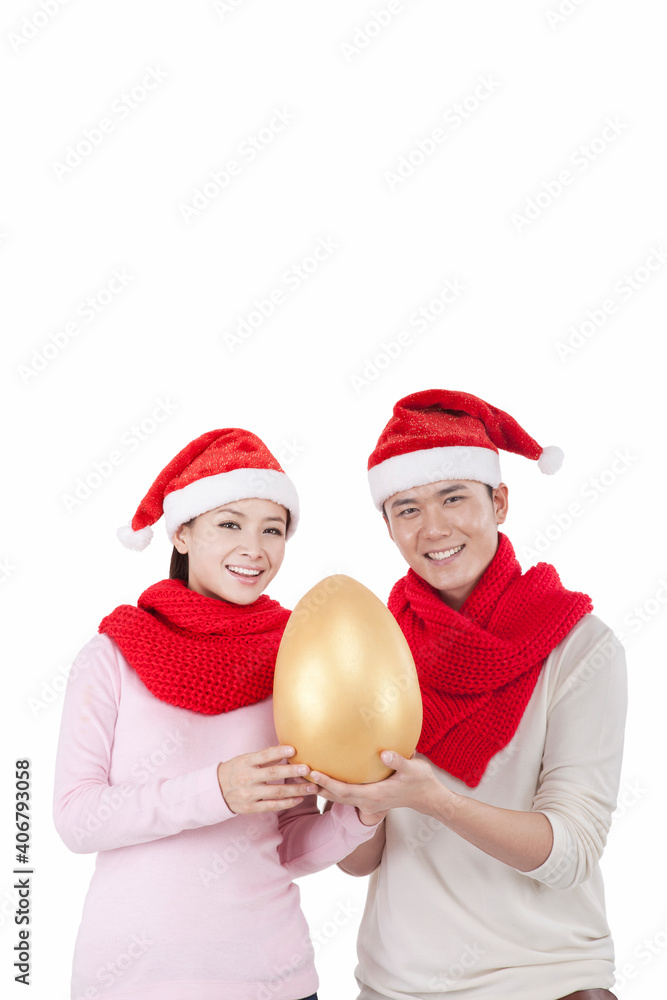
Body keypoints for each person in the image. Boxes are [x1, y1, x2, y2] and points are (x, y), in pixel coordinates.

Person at [310, 390, 626, 1000]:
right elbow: (357, 862)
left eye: (453, 497)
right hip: (397, 983)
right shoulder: (371, 649)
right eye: (407, 508)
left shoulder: (580, 648)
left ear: (499, 501)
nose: (433, 528)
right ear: (389, 526)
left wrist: (438, 801)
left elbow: (573, 853)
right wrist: (364, 805)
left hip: (550, 980)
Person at [53, 427, 382, 1000]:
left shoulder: (298, 660)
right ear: (181, 532)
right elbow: (77, 819)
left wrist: (361, 813)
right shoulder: (111, 656)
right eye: (230, 523)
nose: (254, 548)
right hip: (131, 982)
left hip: (275, 980)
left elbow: (287, 846)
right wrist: (216, 791)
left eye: (272, 530)